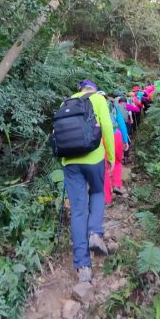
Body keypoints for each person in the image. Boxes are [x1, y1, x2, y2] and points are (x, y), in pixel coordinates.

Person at [62, 80, 115, 283]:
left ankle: (83, 266)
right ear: (93, 89)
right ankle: (94, 232)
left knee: (77, 210)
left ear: (80, 90)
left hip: (70, 161)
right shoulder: (98, 99)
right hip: (93, 157)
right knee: (97, 192)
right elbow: (107, 128)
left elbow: (58, 134)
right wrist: (110, 155)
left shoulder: (66, 102)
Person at [102, 94, 129, 204]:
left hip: (102, 138)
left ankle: (107, 198)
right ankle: (117, 184)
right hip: (116, 135)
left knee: (104, 167)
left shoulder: (93, 107)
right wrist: (125, 140)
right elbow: (121, 123)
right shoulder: (113, 106)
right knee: (117, 161)